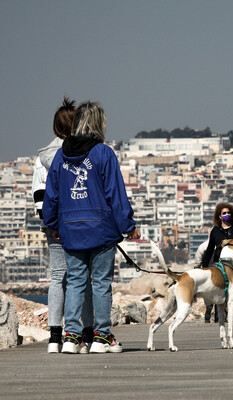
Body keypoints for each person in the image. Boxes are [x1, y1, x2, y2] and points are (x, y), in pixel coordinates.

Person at [43, 101, 140, 354]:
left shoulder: (60, 156)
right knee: (100, 284)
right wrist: (128, 225)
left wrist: (53, 224)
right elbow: (115, 194)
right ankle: (101, 336)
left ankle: (72, 337)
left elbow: (51, 195)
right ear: (98, 124)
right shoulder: (103, 153)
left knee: (74, 282)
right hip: (101, 230)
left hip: (70, 230)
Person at [32, 97, 93, 353]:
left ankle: (55, 335)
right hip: (80, 221)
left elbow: (39, 196)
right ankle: (88, 332)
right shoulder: (87, 152)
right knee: (85, 277)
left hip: (53, 223)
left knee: (58, 276)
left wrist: (51, 222)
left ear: (56, 127)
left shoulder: (43, 157)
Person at [201, 203, 233, 323]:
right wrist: (204, 266)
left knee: (232, 291)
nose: (227, 215)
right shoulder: (215, 230)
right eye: (224, 213)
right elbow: (210, 249)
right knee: (220, 289)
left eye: (228, 213)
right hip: (219, 264)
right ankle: (219, 316)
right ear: (219, 216)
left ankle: (231, 315)